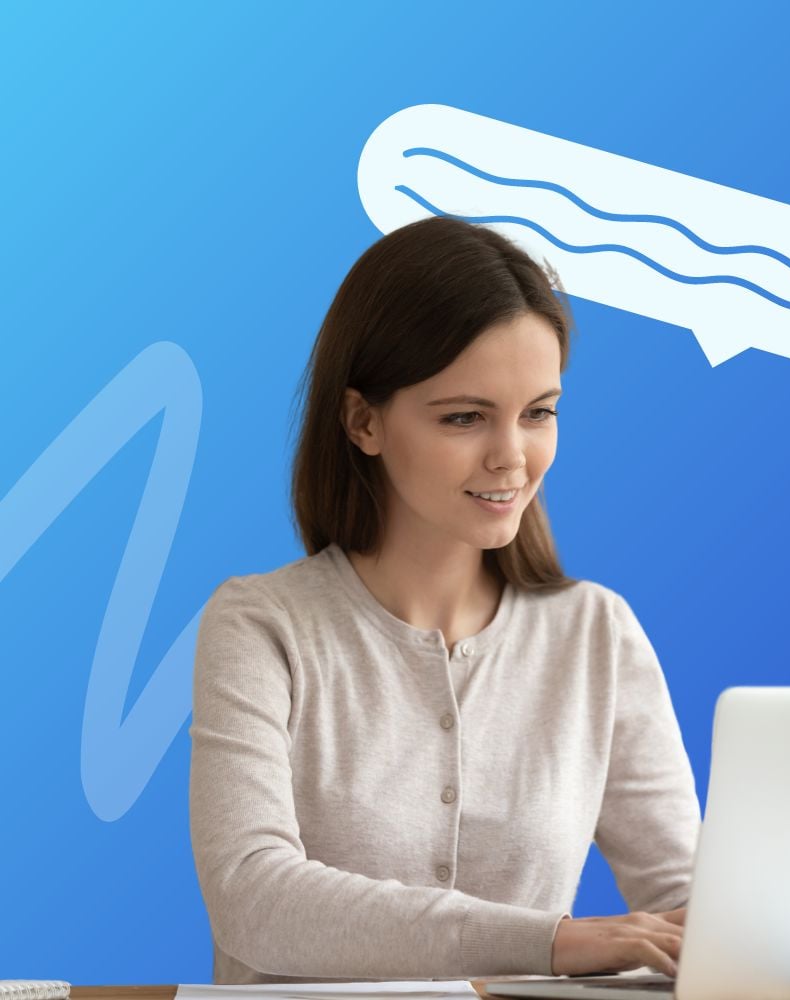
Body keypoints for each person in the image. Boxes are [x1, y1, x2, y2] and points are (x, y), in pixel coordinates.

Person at [188, 215, 701, 985]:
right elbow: (253, 897)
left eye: (539, 412)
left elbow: (687, 907)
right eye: (465, 417)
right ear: (364, 421)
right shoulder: (264, 626)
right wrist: (553, 942)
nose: (512, 457)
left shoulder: (596, 633)